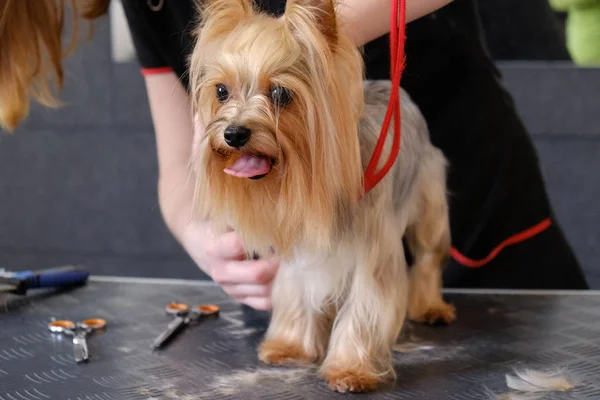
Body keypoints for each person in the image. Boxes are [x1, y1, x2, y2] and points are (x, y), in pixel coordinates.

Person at [0, 0, 589, 312]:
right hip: (308, 276)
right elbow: (179, 168)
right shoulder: (154, 2)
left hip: (473, 222)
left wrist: (311, 40)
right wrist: (207, 243)